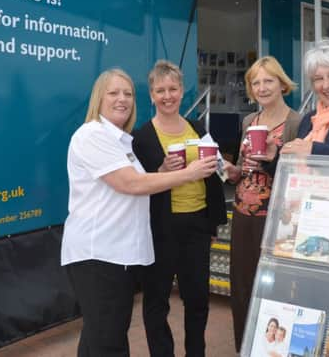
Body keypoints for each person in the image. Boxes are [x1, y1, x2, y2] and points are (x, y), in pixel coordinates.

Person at [61, 68, 218, 357]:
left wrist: (163, 173)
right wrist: (188, 173)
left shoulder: (120, 140)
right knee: (107, 341)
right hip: (99, 255)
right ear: (99, 98)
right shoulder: (92, 135)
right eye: (114, 93)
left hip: (118, 254)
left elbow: (140, 183)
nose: (122, 99)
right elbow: (130, 183)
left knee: (103, 337)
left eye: (128, 94)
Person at [132, 60, 227, 357]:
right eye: (160, 90)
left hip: (197, 225)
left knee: (197, 298)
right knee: (157, 300)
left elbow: (215, 176)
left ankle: (195, 353)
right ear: (151, 95)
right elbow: (137, 184)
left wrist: (213, 224)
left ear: (182, 91)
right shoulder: (142, 136)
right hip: (160, 228)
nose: (167, 95)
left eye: (173, 88)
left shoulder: (198, 129)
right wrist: (161, 169)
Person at [222, 56, 301, 352]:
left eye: (268, 80)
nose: (262, 87)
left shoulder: (296, 121)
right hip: (243, 215)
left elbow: (298, 174)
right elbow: (244, 166)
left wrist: (272, 161)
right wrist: (233, 172)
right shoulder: (248, 121)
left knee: (277, 287)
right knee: (241, 287)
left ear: (282, 84)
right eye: (255, 82)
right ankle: (244, 346)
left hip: (277, 218)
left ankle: (275, 347)